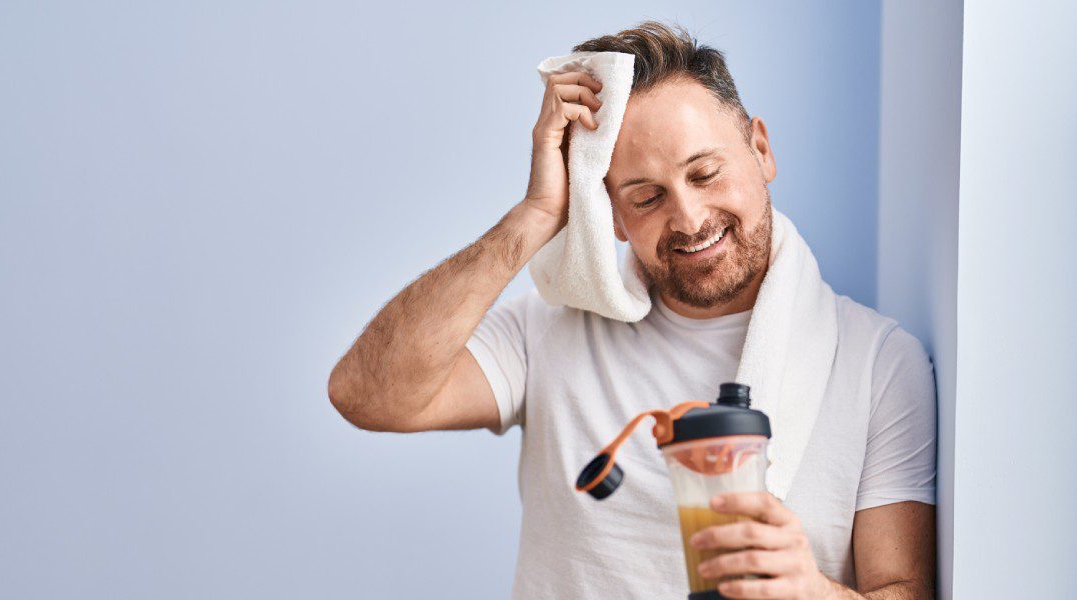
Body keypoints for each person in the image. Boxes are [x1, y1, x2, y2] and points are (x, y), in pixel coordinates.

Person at [328, 21, 936, 600]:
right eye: (646, 197)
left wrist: (810, 591)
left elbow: (907, 590)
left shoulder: (876, 363)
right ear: (610, 216)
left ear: (761, 149)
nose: (691, 220)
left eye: (706, 172)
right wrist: (537, 214)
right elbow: (368, 393)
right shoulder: (548, 332)